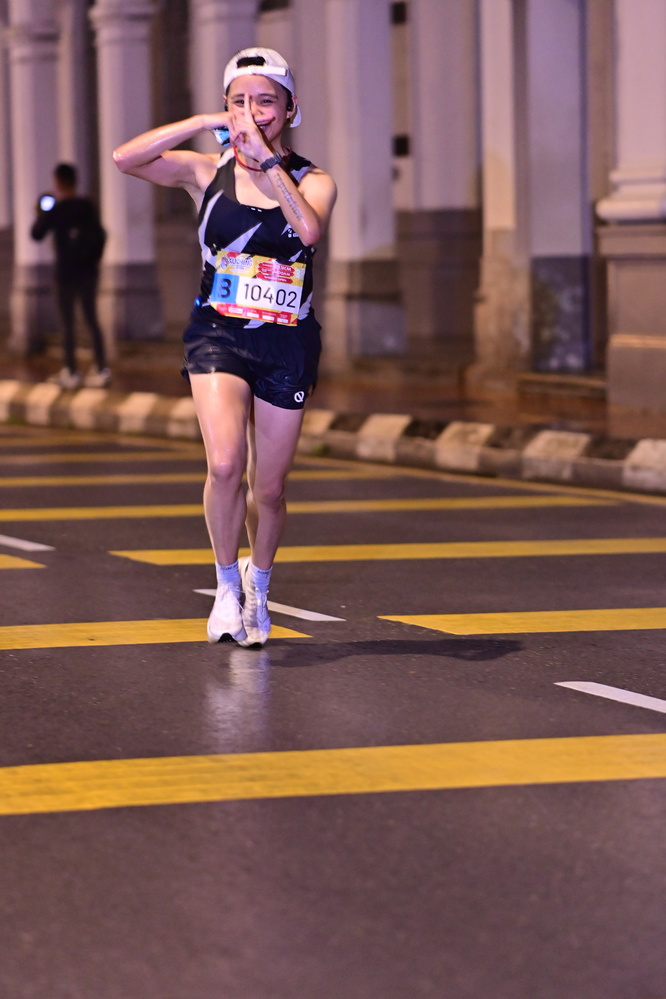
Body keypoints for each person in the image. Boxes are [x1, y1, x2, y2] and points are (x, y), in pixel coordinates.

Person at [113, 47, 337, 648]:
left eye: (265, 101)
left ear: (289, 109)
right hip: (218, 334)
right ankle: (225, 585)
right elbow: (125, 158)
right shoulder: (204, 171)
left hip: (287, 342)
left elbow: (309, 229)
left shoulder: (313, 180)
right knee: (224, 464)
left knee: (270, 489)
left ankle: (259, 586)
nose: (252, 113)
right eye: (240, 102)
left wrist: (268, 163)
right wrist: (201, 123)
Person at [31, 162, 110, 389]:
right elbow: (101, 235)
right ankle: (101, 369)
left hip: (65, 273)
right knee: (91, 319)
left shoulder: (57, 209)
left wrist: (41, 212)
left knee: (67, 323)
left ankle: (71, 372)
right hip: (88, 271)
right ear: (75, 181)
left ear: (57, 182)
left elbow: (36, 234)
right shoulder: (86, 206)